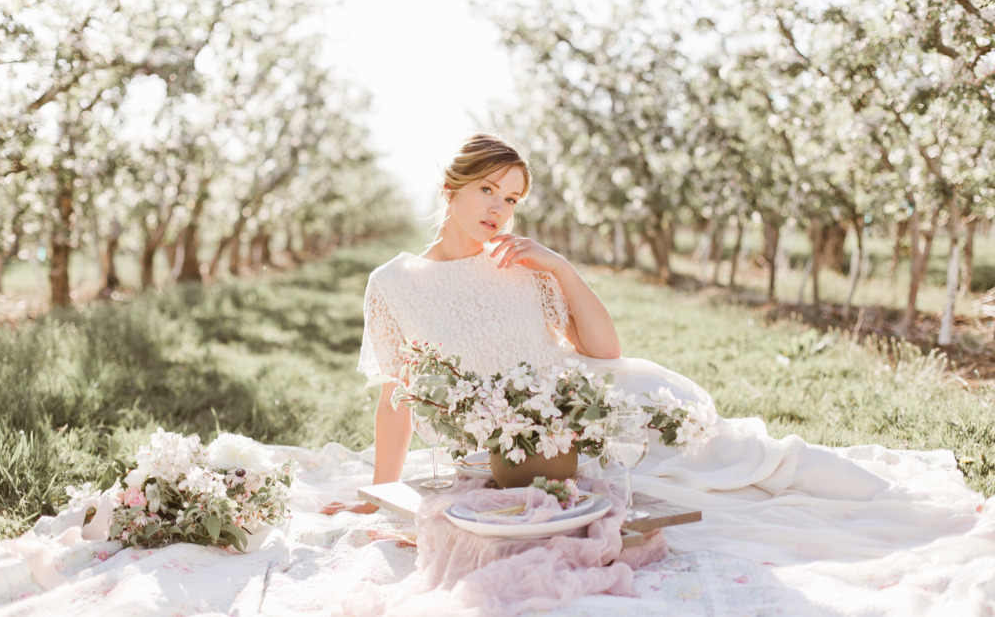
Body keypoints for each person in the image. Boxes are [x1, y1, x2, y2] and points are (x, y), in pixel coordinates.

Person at [318, 134, 983, 574]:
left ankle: (918, 508)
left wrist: (560, 267)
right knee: (675, 491)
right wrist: (384, 491)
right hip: (522, 439)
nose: (500, 208)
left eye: (513, 197)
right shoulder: (395, 284)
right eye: (488, 190)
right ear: (453, 188)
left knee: (743, 459)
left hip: (596, 403)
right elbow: (396, 397)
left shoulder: (522, 262)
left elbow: (603, 350)